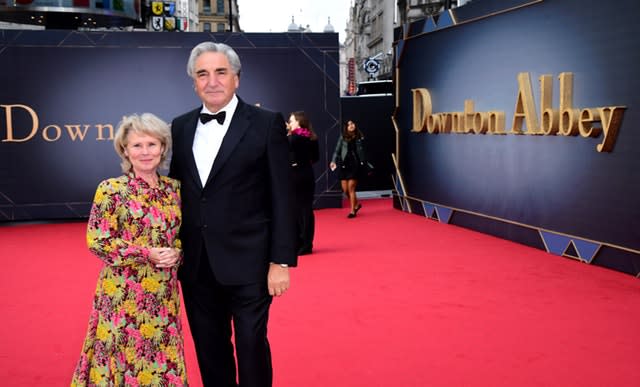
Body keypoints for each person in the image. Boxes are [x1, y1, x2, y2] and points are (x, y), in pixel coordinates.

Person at [168, 42, 297, 387]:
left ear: (237, 78)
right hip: (196, 263)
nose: (212, 81)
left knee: (251, 345)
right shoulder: (179, 128)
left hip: (250, 261)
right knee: (210, 350)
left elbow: (283, 197)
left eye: (220, 72)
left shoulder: (266, 123)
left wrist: (280, 261)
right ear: (194, 82)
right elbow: (174, 194)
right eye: (203, 74)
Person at [71, 113, 187, 386]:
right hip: (123, 293)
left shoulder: (175, 190)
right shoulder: (112, 190)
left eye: (152, 144)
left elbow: (184, 236)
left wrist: (178, 253)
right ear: (125, 150)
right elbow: (99, 241)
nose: (145, 152)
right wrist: (146, 253)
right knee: (122, 353)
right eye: (137, 145)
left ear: (163, 148)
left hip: (163, 293)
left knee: (161, 355)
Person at [287, 111, 319, 255]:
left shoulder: (293, 138)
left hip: (295, 177)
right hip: (307, 175)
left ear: (299, 122)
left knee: (296, 210)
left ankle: (300, 243)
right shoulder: (312, 138)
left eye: (292, 121)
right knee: (306, 210)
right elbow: (316, 158)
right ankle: (307, 244)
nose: (290, 123)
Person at [330, 119, 368, 218]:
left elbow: (363, 153)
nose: (351, 125)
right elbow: (336, 151)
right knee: (345, 189)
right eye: (349, 124)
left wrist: (365, 165)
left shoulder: (360, 137)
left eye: (352, 123)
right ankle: (356, 204)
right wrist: (333, 161)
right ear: (346, 127)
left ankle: (352, 211)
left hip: (355, 165)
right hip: (344, 165)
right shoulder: (342, 137)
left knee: (351, 187)